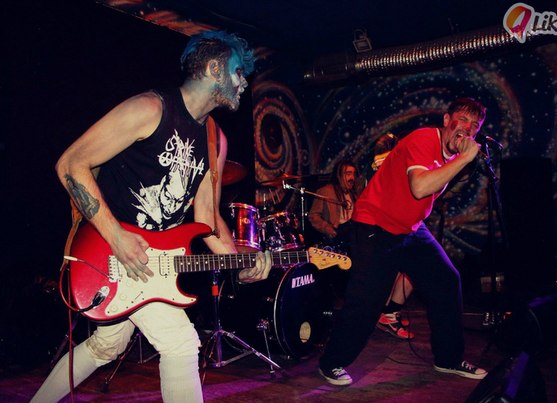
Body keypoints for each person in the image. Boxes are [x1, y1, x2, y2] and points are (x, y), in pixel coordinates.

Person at [31, 31, 272, 403]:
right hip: (109, 252)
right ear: (214, 68)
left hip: (154, 263)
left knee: (106, 346)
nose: (244, 82)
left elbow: (207, 218)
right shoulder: (150, 109)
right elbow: (71, 164)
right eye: (239, 71)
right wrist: (116, 237)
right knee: (181, 343)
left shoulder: (215, 140)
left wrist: (239, 264)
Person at [318, 97, 489, 386]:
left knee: (446, 281)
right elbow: (420, 187)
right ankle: (331, 362)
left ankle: (448, 359)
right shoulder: (423, 139)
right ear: (447, 121)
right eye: (462, 120)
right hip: (375, 225)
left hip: (410, 229)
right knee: (367, 301)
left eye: (474, 125)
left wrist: (459, 161)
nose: (467, 128)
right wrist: (464, 160)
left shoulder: (453, 155)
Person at [370, 133, 415, 340]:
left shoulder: (384, 163)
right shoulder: (385, 163)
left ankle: (388, 313)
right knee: (409, 271)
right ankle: (388, 314)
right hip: (385, 225)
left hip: (392, 224)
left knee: (401, 272)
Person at [308, 160, 360, 306]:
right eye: (348, 174)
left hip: (352, 238)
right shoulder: (326, 191)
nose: (352, 178)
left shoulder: (354, 195)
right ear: (339, 175)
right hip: (336, 236)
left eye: (353, 174)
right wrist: (327, 228)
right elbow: (313, 216)